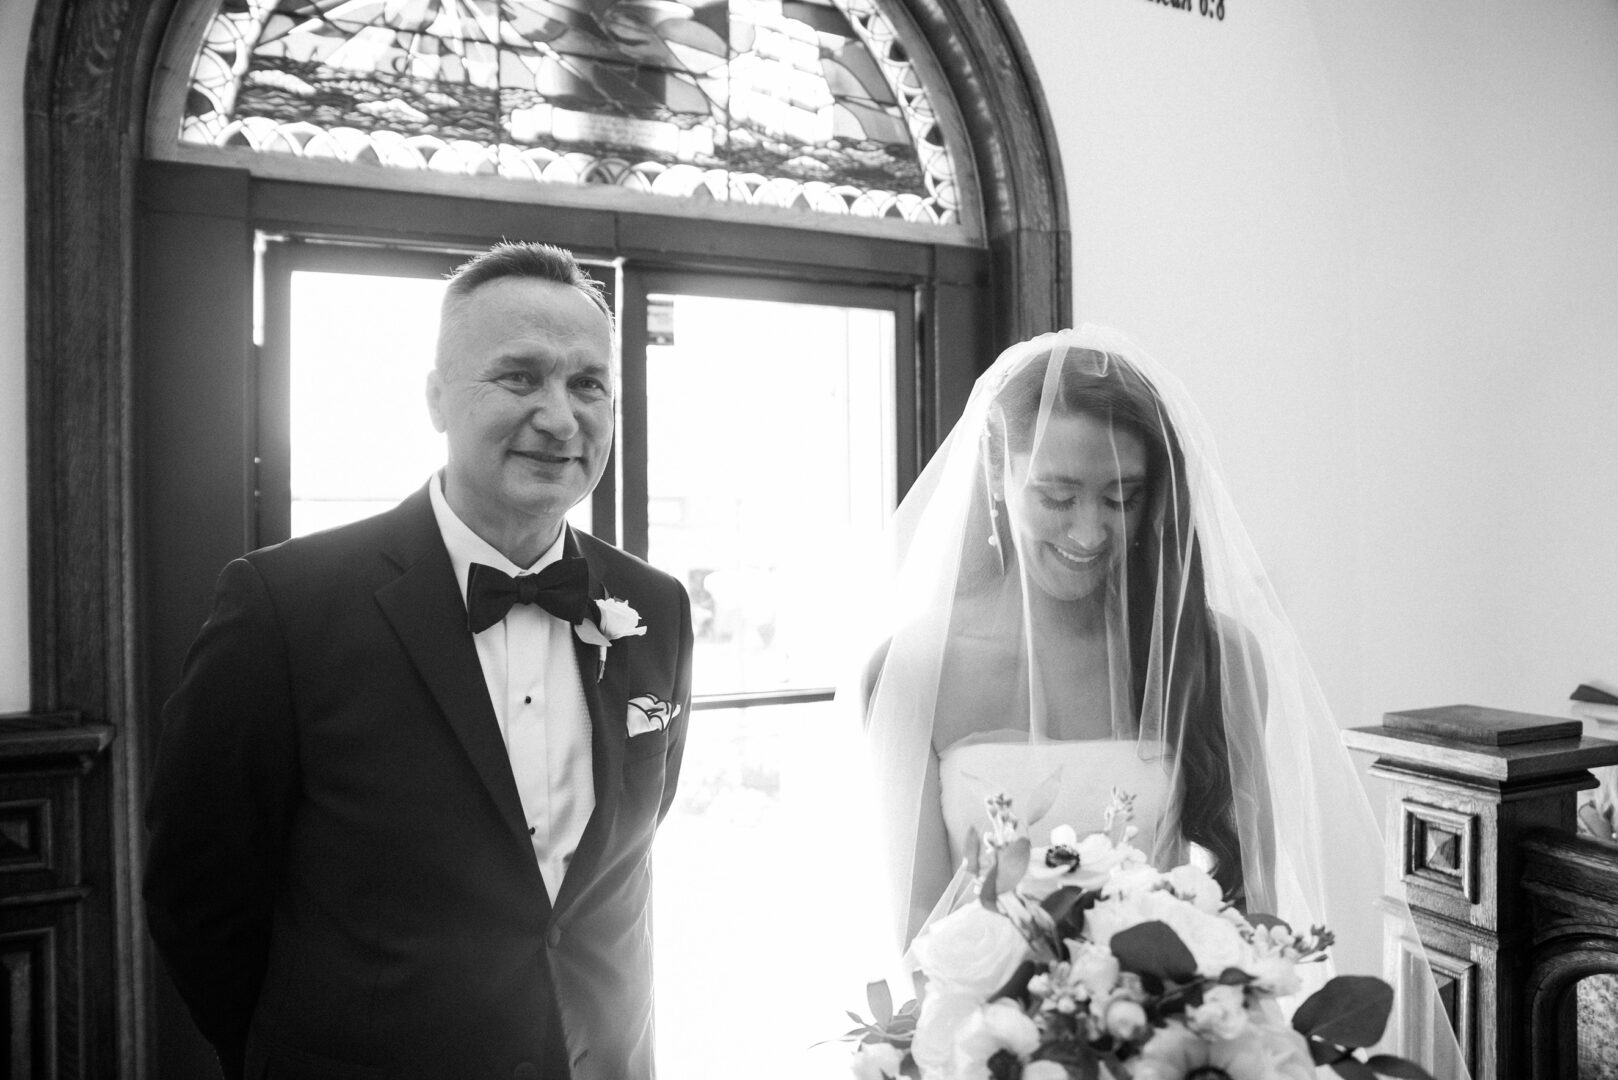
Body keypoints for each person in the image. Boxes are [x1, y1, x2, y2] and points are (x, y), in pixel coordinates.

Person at [144, 242, 693, 1080]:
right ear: (436, 396)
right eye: (519, 377)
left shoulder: (656, 607)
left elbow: (623, 865)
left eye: (589, 384)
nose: (559, 416)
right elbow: (199, 895)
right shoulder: (283, 606)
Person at [859, 326, 1465, 1075]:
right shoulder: (913, 670)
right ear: (994, 469)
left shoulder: (1215, 656)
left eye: (1122, 498)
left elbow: (1256, 910)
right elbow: (920, 930)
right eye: (1058, 495)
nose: (1090, 530)